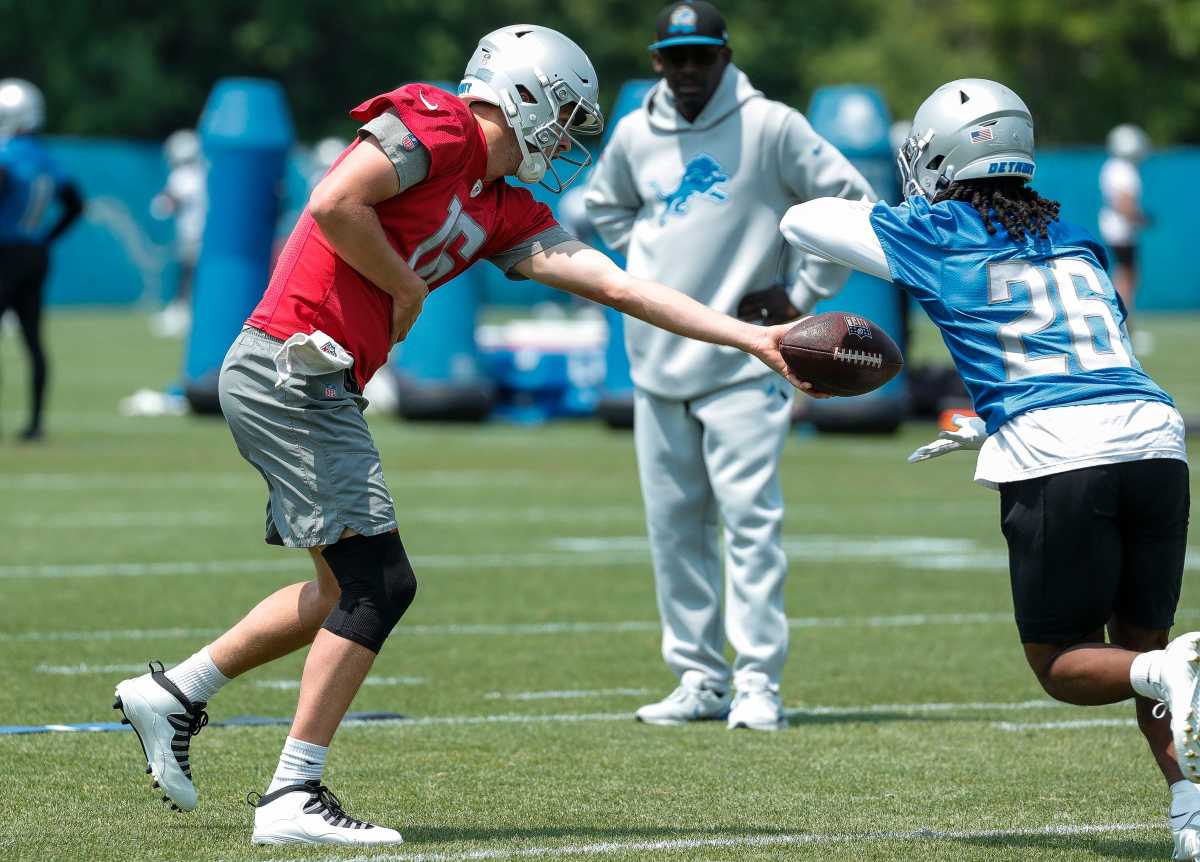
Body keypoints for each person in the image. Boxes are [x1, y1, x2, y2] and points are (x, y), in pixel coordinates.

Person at [112, 24, 808, 846]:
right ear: (524, 94)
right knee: (381, 586)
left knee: (343, 590)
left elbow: (619, 286)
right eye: (564, 113)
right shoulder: (439, 125)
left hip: (314, 379)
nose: (567, 135)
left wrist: (751, 338)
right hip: (288, 369)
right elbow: (334, 202)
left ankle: (174, 692)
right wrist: (406, 289)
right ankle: (292, 795)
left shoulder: (500, 205)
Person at [780, 78, 1200, 861]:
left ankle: (1176, 693)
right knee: (1151, 655)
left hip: (1058, 451)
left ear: (939, 156)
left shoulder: (935, 233)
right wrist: (992, 417)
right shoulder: (1077, 239)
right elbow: (1075, 353)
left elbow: (802, 219)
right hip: (1154, 439)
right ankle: (1193, 815)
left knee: (1068, 664)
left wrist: (902, 221)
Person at [584, 0, 874, 731]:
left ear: (724, 54)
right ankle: (699, 677)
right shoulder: (633, 133)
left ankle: (757, 683)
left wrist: (804, 295)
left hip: (751, 356)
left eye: (701, 56)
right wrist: (650, 254)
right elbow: (605, 210)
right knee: (673, 527)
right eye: (674, 57)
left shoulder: (770, 125)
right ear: (657, 60)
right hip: (656, 361)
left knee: (750, 523)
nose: (687, 71)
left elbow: (854, 201)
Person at [0, 78, 83, 441]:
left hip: (5, 253)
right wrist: (46, 239)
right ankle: (35, 423)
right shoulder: (47, 159)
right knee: (33, 339)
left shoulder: (7, 157)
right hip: (35, 254)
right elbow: (75, 204)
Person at [149, 129, 207, 338]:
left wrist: (162, 203)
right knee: (194, 278)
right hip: (205, 236)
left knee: (187, 277)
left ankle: (181, 315)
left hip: (193, 236)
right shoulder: (203, 173)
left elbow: (168, 202)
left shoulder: (182, 176)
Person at [1099, 123, 1151, 324]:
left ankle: (1122, 318)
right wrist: (1140, 218)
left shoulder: (1112, 166)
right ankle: (1122, 319)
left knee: (1126, 272)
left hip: (1117, 228)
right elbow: (1123, 202)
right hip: (1120, 229)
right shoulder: (1123, 169)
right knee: (1127, 274)